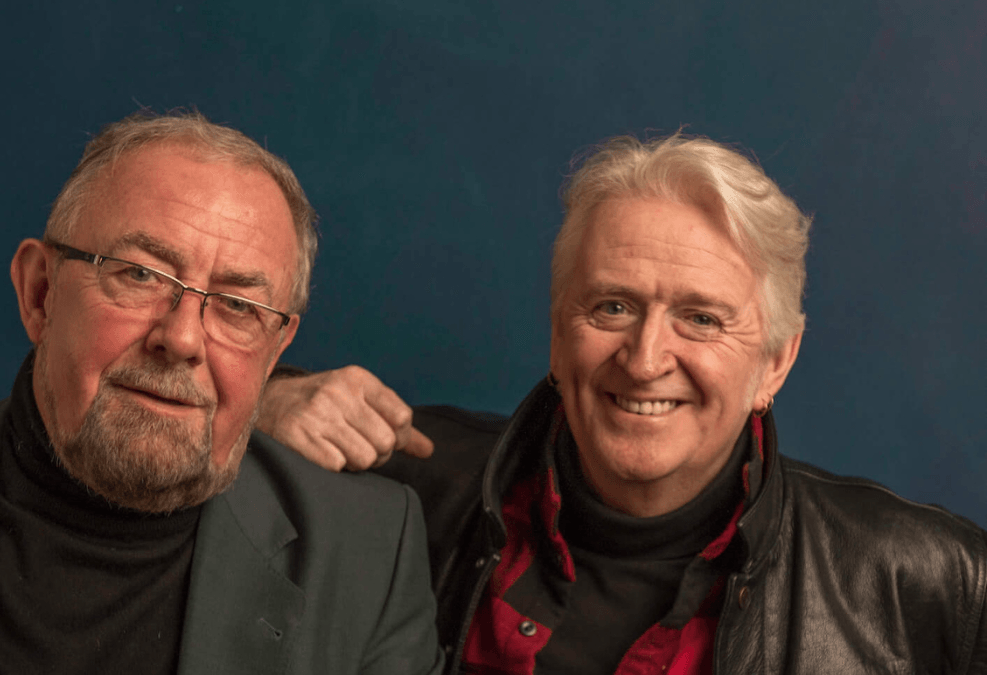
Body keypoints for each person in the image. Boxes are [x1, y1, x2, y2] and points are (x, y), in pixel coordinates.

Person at [257, 134, 987, 674]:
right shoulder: (400, 490)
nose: (643, 360)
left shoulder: (927, 582)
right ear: (556, 332)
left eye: (701, 317)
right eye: (611, 306)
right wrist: (265, 406)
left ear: (776, 361)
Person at [0, 110, 442, 675]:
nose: (182, 337)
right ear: (39, 293)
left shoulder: (369, 558)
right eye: (139, 273)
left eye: (239, 306)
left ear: (276, 349)